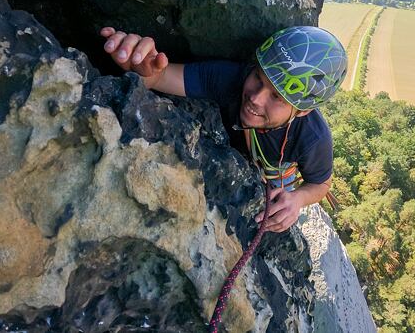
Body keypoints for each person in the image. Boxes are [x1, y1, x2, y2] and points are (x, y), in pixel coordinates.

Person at [100, 25, 347, 233]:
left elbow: (321, 185)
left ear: (302, 111)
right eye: (258, 78)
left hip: (276, 183)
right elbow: (159, 78)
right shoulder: (231, 79)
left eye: (277, 97)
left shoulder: (312, 138)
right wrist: (142, 67)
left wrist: (296, 200)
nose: (255, 99)